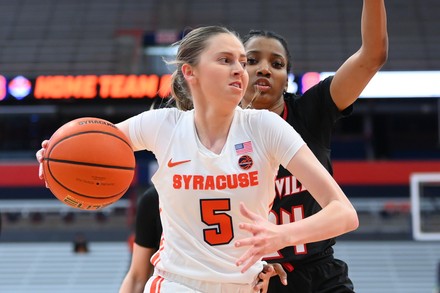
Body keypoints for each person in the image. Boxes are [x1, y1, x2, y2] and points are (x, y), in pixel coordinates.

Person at [37, 25, 358, 292]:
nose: (238, 69)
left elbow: (344, 213)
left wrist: (283, 235)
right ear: (191, 72)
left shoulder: (266, 127)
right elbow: (91, 145)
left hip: (246, 285)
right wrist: (55, 154)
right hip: (179, 283)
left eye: (240, 60)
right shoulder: (162, 126)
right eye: (225, 60)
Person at [240, 1, 388, 292]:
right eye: (252, 60)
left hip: (318, 272)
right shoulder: (219, 128)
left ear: (286, 82)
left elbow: (372, 56)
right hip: (252, 276)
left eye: (277, 64)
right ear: (237, 72)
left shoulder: (311, 111)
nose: (265, 69)